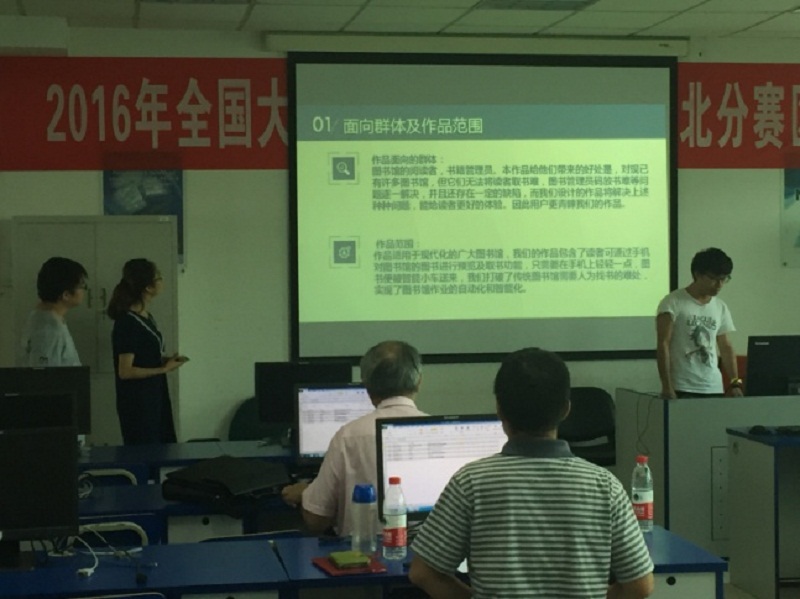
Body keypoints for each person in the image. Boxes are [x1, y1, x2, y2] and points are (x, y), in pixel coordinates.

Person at [408, 347, 654, 599]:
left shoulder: (470, 482)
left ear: (499, 409)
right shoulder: (605, 486)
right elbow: (640, 585)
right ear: (566, 409)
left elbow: (423, 573)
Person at [281, 340, 426, 536]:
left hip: (363, 551)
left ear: (367, 385)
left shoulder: (348, 436)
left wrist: (305, 494)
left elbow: (316, 520)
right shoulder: (445, 431)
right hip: (431, 554)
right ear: (419, 381)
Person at [106, 258, 186, 445]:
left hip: (155, 394)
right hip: (138, 401)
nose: (162, 281)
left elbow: (145, 355)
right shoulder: (127, 323)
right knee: (145, 448)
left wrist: (166, 360)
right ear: (148, 287)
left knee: (163, 444)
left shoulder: (146, 317)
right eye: (158, 278)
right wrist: (163, 369)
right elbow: (125, 371)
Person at [656, 247, 742, 399]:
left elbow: (725, 347)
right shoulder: (672, 302)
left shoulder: (720, 306)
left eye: (724, 279)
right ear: (697, 274)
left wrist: (735, 383)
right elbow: (663, 344)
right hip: (682, 387)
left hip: (714, 387)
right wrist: (666, 386)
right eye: (713, 278)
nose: (719, 284)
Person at [18, 257, 88, 367]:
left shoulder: (45, 319)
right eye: (82, 286)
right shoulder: (49, 331)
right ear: (66, 295)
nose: (84, 290)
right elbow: (46, 374)